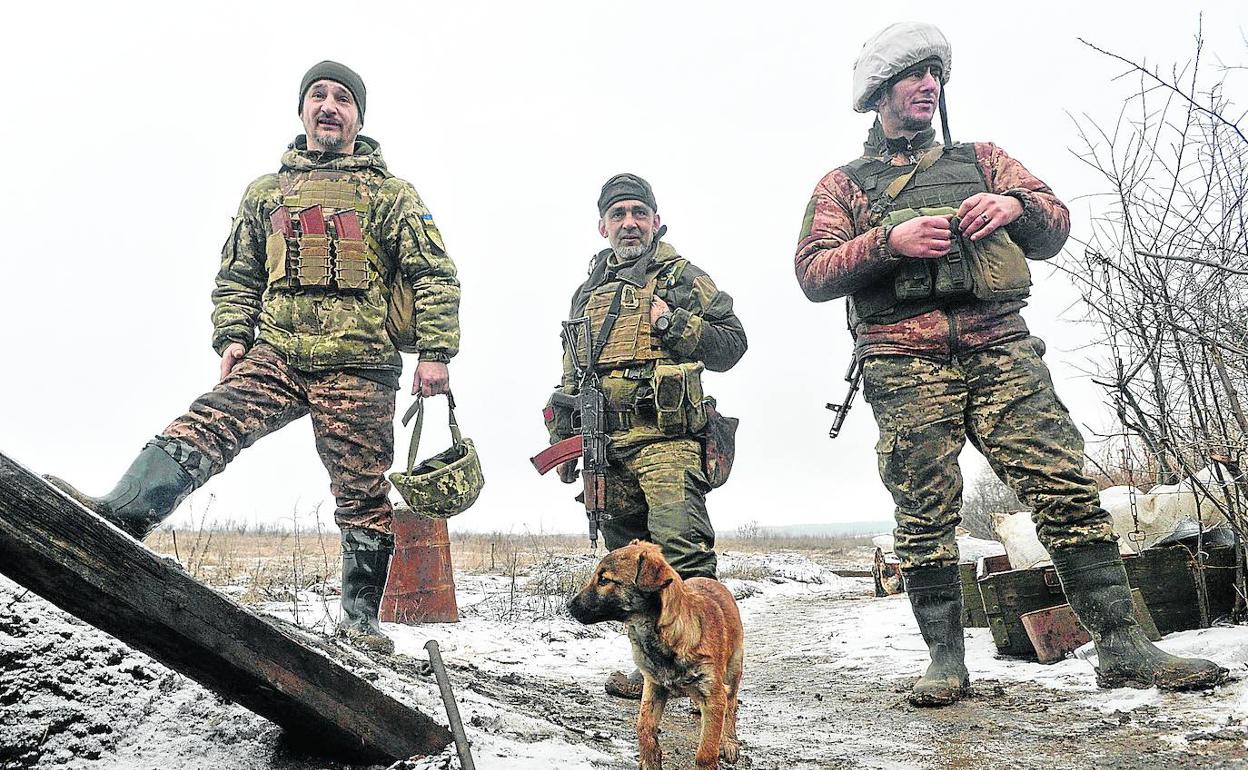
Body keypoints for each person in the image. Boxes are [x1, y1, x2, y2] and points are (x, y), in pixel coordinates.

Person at [794, 23, 1225, 706]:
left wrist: (1014, 205)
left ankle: (1121, 646)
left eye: (935, 75)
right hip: (903, 362)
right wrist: (888, 241)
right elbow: (814, 272)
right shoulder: (845, 185)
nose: (928, 86)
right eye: (912, 76)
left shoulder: (986, 158)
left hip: (1000, 346)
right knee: (924, 512)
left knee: (1062, 486)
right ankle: (945, 661)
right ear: (879, 92)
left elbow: (1053, 224)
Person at [49, 61, 461, 654]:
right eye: (318, 95)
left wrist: (436, 351)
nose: (328, 106)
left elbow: (435, 275)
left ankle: (360, 621)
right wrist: (232, 338)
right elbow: (238, 274)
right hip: (278, 353)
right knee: (207, 424)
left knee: (362, 493)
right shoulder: (266, 193)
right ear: (302, 110)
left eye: (342, 99)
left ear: (358, 117)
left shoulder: (391, 195)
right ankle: (123, 515)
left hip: (361, 365)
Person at [547, 173, 746, 697]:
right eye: (619, 214)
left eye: (639, 212)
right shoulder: (586, 293)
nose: (629, 223)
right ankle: (653, 673)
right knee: (624, 570)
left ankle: (704, 666)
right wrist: (565, 436)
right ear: (602, 226)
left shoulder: (682, 278)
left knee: (683, 551)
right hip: (606, 447)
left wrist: (674, 324)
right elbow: (573, 372)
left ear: (656, 220)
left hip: (667, 440)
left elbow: (733, 344)